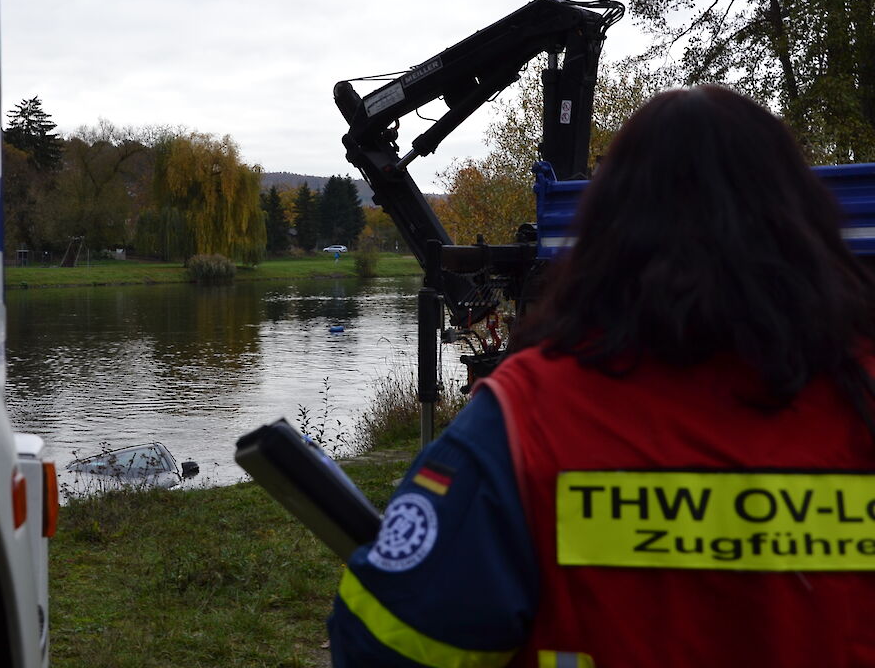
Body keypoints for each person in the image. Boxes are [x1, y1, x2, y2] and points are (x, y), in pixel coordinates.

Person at [328, 85, 875, 668]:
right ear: (803, 221)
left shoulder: (525, 417)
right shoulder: (859, 392)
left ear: (609, 228)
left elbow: (383, 645)